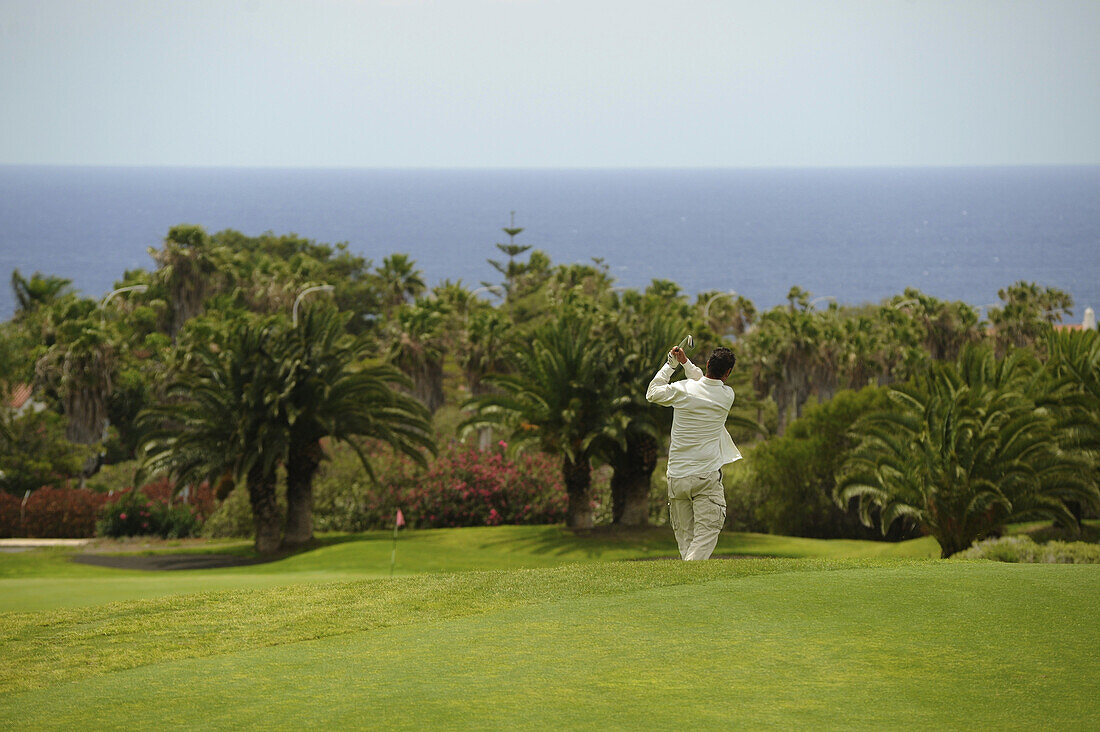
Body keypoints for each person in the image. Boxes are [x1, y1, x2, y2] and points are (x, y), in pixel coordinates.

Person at [646, 345, 741, 560]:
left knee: (686, 540)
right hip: (705, 476)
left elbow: (652, 393)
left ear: (708, 364)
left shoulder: (684, 389)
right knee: (705, 535)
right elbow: (704, 382)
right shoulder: (727, 395)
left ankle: (685, 583)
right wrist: (686, 363)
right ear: (727, 373)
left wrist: (671, 364)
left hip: (677, 477)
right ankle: (688, 577)